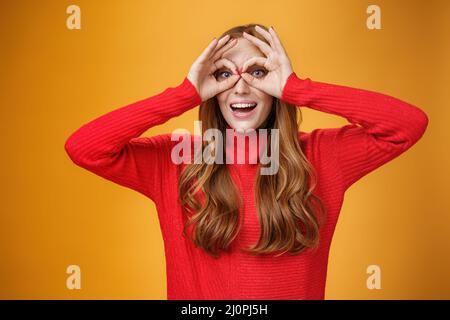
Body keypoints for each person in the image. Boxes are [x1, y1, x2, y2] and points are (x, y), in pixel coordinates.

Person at [64, 24, 429, 299]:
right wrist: (182, 95)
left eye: (257, 72)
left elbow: (407, 124)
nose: (240, 87)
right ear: (211, 87)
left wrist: (298, 89)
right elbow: (84, 147)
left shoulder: (320, 156)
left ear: (276, 87)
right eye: (224, 74)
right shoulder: (178, 159)